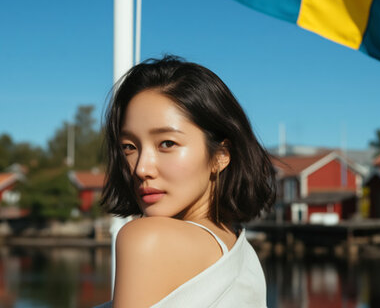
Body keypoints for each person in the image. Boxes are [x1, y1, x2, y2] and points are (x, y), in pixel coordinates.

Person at [97, 55, 275, 307]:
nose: (141, 168)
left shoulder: (148, 240)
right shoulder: (243, 256)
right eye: (129, 147)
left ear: (221, 156)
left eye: (167, 143)